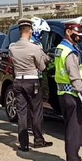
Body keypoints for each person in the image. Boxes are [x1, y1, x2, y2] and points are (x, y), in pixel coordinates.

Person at [54, 16, 82, 161]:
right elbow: (75, 78)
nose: (79, 37)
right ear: (68, 31)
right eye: (77, 34)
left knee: (71, 128)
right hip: (74, 95)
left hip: (63, 93)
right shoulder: (70, 52)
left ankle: (73, 159)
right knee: (75, 130)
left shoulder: (60, 48)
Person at [9, 18, 52, 152]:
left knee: (22, 113)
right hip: (32, 81)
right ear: (30, 32)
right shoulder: (34, 48)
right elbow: (42, 66)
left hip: (17, 81)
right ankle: (38, 140)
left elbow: (12, 63)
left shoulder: (12, 47)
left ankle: (24, 144)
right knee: (36, 112)